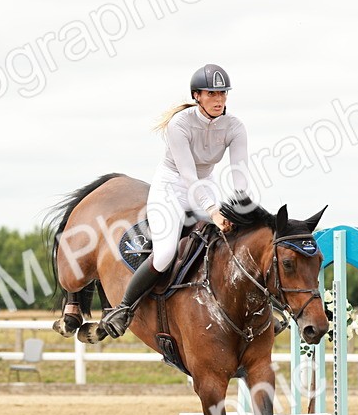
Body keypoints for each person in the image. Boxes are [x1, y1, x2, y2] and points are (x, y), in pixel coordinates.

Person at [100, 63, 251, 338]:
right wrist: (213, 211)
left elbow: (240, 175)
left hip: (205, 186)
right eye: (212, 94)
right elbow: (188, 176)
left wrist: (243, 210)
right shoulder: (180, 124)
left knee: (235, 243)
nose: (219, 100)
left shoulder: (235, 126)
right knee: (166, 253)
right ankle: (123, 309)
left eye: (223, 94)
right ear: (197, 96)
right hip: (172, 187)